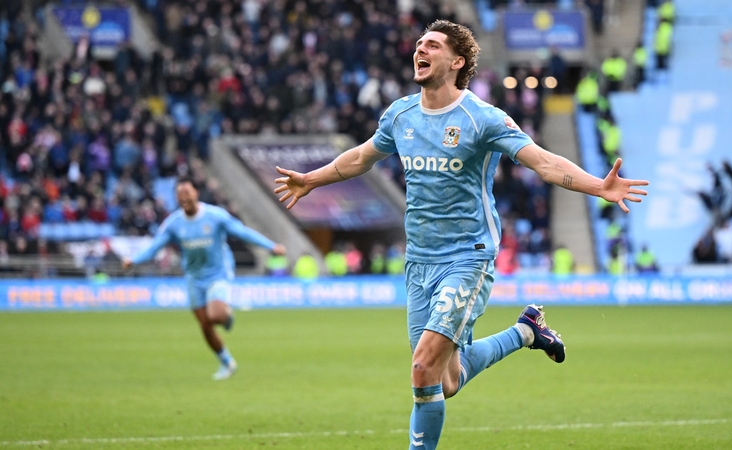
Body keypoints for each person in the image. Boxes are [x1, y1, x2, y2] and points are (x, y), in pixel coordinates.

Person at [273, 20, 649, 450]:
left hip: (466, 258)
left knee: (421, 369)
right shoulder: (400, 114)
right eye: (419, 44)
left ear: (456, 61)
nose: (420, 49)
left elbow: (542, 162)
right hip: (419, 263)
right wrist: (311, 180)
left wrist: (597, 185)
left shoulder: (482, 118)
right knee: (443, 381)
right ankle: (527, 331)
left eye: (432, 44)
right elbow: (360, 158)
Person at [122, 177, 286, 381]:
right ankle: (227, 362)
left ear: (196, 194)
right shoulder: (174, 224)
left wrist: (271, 246)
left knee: (216, 316)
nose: (184, 197)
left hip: (219, 273)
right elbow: (155, 247)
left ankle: (226, 316)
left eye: (187, 193)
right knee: (205, 325)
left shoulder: (215, 216)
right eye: (180, 194)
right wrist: (133, 260)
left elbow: (242, 232)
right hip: (194, 277)